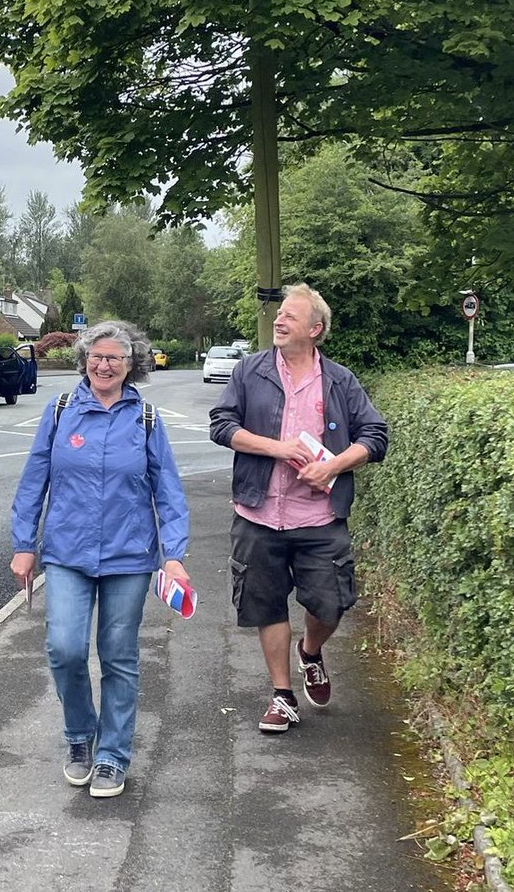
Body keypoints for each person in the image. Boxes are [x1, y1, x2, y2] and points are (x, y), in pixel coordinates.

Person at [10, 320, 190, 798]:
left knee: (119, 657)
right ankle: (79, 738)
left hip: (129, 557)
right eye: (96, 356)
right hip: (68, 552)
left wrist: (173, 555)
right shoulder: (62, 409)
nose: (103, 364)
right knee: (65, 649)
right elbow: (34, 482)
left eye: (114, 358)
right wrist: (24, 545)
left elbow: (168, 491)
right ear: (83, 360)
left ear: (132, 366)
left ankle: (113, 755)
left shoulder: (147, 419)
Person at [209, 283, 387, 733]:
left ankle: (311, 650)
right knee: (266, 605)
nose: (279, 320)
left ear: (315, 328)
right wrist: (277, 448)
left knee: (331, 605)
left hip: (320, 517)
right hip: (259, 513)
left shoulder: (340, 380)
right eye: (279, 314)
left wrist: (335, 467)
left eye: (290, 315)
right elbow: (221, 425)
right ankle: (282, 695)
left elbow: (375, 435)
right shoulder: (250, 371)